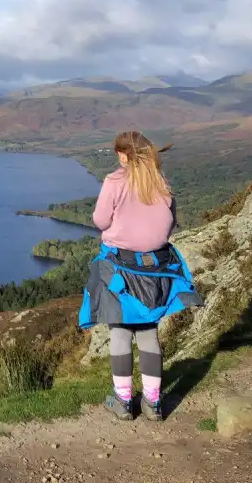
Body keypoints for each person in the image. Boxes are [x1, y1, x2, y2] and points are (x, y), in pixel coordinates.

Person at [77, 131, 202, 422]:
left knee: (120, 332)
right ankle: (153, 404)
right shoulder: (161, 184)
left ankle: (122, 402)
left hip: (120, 269)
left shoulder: (115, 181)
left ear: (122, 155)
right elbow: (168, 224)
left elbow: (100, 221)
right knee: (148, 333)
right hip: (156, 270)